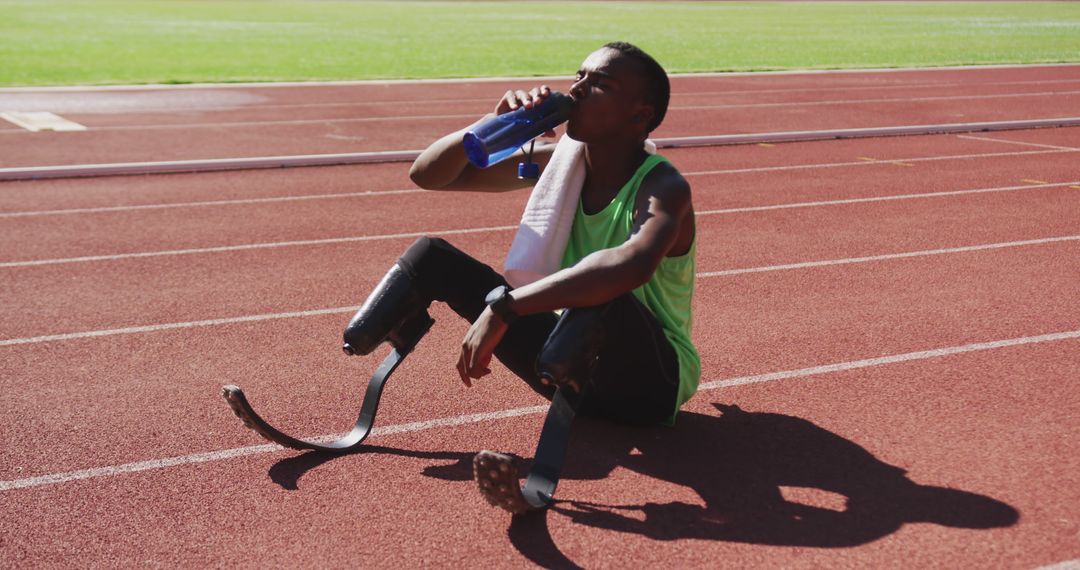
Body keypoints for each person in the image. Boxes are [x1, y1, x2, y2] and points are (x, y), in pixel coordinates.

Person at [342, 41, 699, 512]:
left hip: (647, 387)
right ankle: (363, 379)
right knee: (433, 256)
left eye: (601, 85)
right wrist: (493, 128)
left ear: (640, 115)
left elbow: (628, 266)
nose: (578, 89)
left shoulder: (663, 187)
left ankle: (544, 476)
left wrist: (506, 306)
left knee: (602, 291)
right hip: (566, 357)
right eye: (580, 76)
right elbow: (428, 174)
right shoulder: (559, 165)